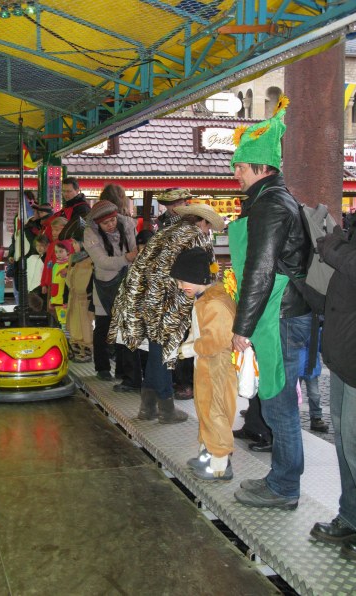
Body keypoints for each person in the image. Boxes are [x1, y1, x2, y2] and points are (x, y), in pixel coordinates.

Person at [229, 96, 312, 511]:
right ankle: (282, 477)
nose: (236, 175)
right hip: (281, 315)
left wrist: (241, 328)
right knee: (277, 399)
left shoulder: (271, 206)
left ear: (261, 166)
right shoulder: (274, 201)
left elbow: (260, 273)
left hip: (277, 318)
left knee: (279, 401)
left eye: (240, 168)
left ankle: (284, 485)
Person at [109, 203, 224, 424]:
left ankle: (148, 407)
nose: (208, 231)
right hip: (169, 299)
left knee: (156, 348)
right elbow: (205, 274)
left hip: (141, 298)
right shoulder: (197, 237)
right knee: (164, 351)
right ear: (203, 221)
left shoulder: (167, 232)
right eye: (208, 226)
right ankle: (166, 407)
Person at [310, 216, 356, 561]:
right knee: (344, 442)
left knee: (354, 445)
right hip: (343, 356)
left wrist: (334, 248)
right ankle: (350, 515)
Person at [171, 247, 237, 480]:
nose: (180, 286)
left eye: (182, 281)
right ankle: (207, 452)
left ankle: (219, 464)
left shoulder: (214, 304)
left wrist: (192, 347)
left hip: (216, 365)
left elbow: (217, 340)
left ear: (198, 277)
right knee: (205, 407)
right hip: (207, 364)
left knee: (216, 408)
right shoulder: (205, 298)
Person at [84, 200, 141, 388]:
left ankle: (123, 370)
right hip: (104, 283)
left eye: (113, 220)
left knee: (123, 326)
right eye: (106, 223)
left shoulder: (127, 224)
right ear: (97, 224)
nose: (111, 225)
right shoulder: (90, 233)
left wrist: (132, 257)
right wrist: (126, 258)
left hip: (127, 281)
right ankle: (102, 367)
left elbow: (135, 248)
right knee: (103, 326)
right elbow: (101, 261)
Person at [66, 225, 94, 363]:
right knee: (75, 323)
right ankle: (76, 347)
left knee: (85, 325)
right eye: (73, 242)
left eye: (76, 242)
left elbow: (87, 281)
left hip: (85, 299)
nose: (73, 245)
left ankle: (87, 350)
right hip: (74, 297)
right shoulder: (74, 258)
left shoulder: (91, 260)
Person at [298, 333, 329, 433]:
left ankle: (316, 418)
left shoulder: (317, 329)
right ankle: (292, 418)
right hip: (298, 367)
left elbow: (322, 346)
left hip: (311, 367)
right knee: (294, 395)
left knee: (315, 394)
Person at [49, 240, 72, 328]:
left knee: (65, 323)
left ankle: (68, 340)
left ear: (68, 252)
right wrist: (51, 299)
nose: (58, 254)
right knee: (61, 321)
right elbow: (53, 282)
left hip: (64, 301)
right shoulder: (55, 266)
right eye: (56, 252)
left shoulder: (68, 265)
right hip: (56, 300)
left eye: (61, 251)